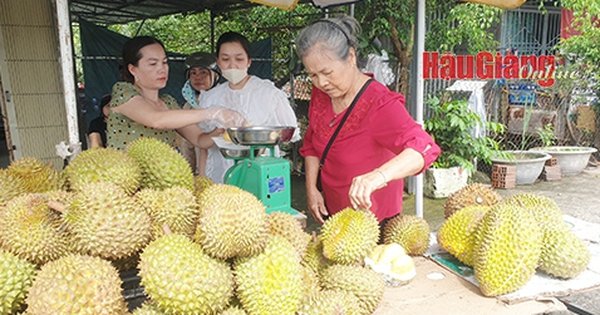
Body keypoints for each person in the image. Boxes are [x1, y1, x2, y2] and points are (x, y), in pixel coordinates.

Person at [295, 16, 441, 225]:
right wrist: (312, 189)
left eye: (327, 72)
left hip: (374, 220)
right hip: (335, 215)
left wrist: (378, 176)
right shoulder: (321, 95)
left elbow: (425, 148)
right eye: (313, 75)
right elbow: (311, 143)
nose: (321, 82)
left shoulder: (380, 104)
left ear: (351, 57)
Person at [106, 36, 244, 151]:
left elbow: (200, 140)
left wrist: (221, 131)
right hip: (124, 181)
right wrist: (212, 112)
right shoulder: (123, 92)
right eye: (153, 64)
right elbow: (156, 120)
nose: (162, 69)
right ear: (133, 69)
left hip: (162, 180)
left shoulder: (168, 103)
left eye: (165, 62)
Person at [197, 31, 300, 183]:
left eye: (239, 59)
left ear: (249, 62)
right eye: (225, 59)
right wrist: (202, 177)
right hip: (220, 179)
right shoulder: (210, 98)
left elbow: (290, 134)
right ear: (218, 62)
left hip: (261, 176)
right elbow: (203, 144)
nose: (232, 65)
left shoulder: (269, 94)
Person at [179, 52, 221, 175]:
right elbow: (185, 147)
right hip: (200, 173)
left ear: (216, 76)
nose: (198, 77)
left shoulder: (225, 102)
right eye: (193, 73)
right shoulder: (188, 107)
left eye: (203, 72)